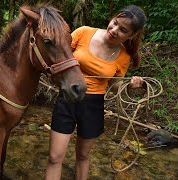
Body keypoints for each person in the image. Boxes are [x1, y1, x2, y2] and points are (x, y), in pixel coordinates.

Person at [45, 5, 147, 180]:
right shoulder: (84, 32)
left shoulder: (124, 56)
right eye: (115, 23)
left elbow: (114, 85)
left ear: (132, 35)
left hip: (93, 105)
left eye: (123, 30)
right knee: (55, 157)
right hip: (68, 99)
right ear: (112, 18)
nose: (114, 30)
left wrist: (130, 85)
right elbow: (60, 54)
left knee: (83, 156)